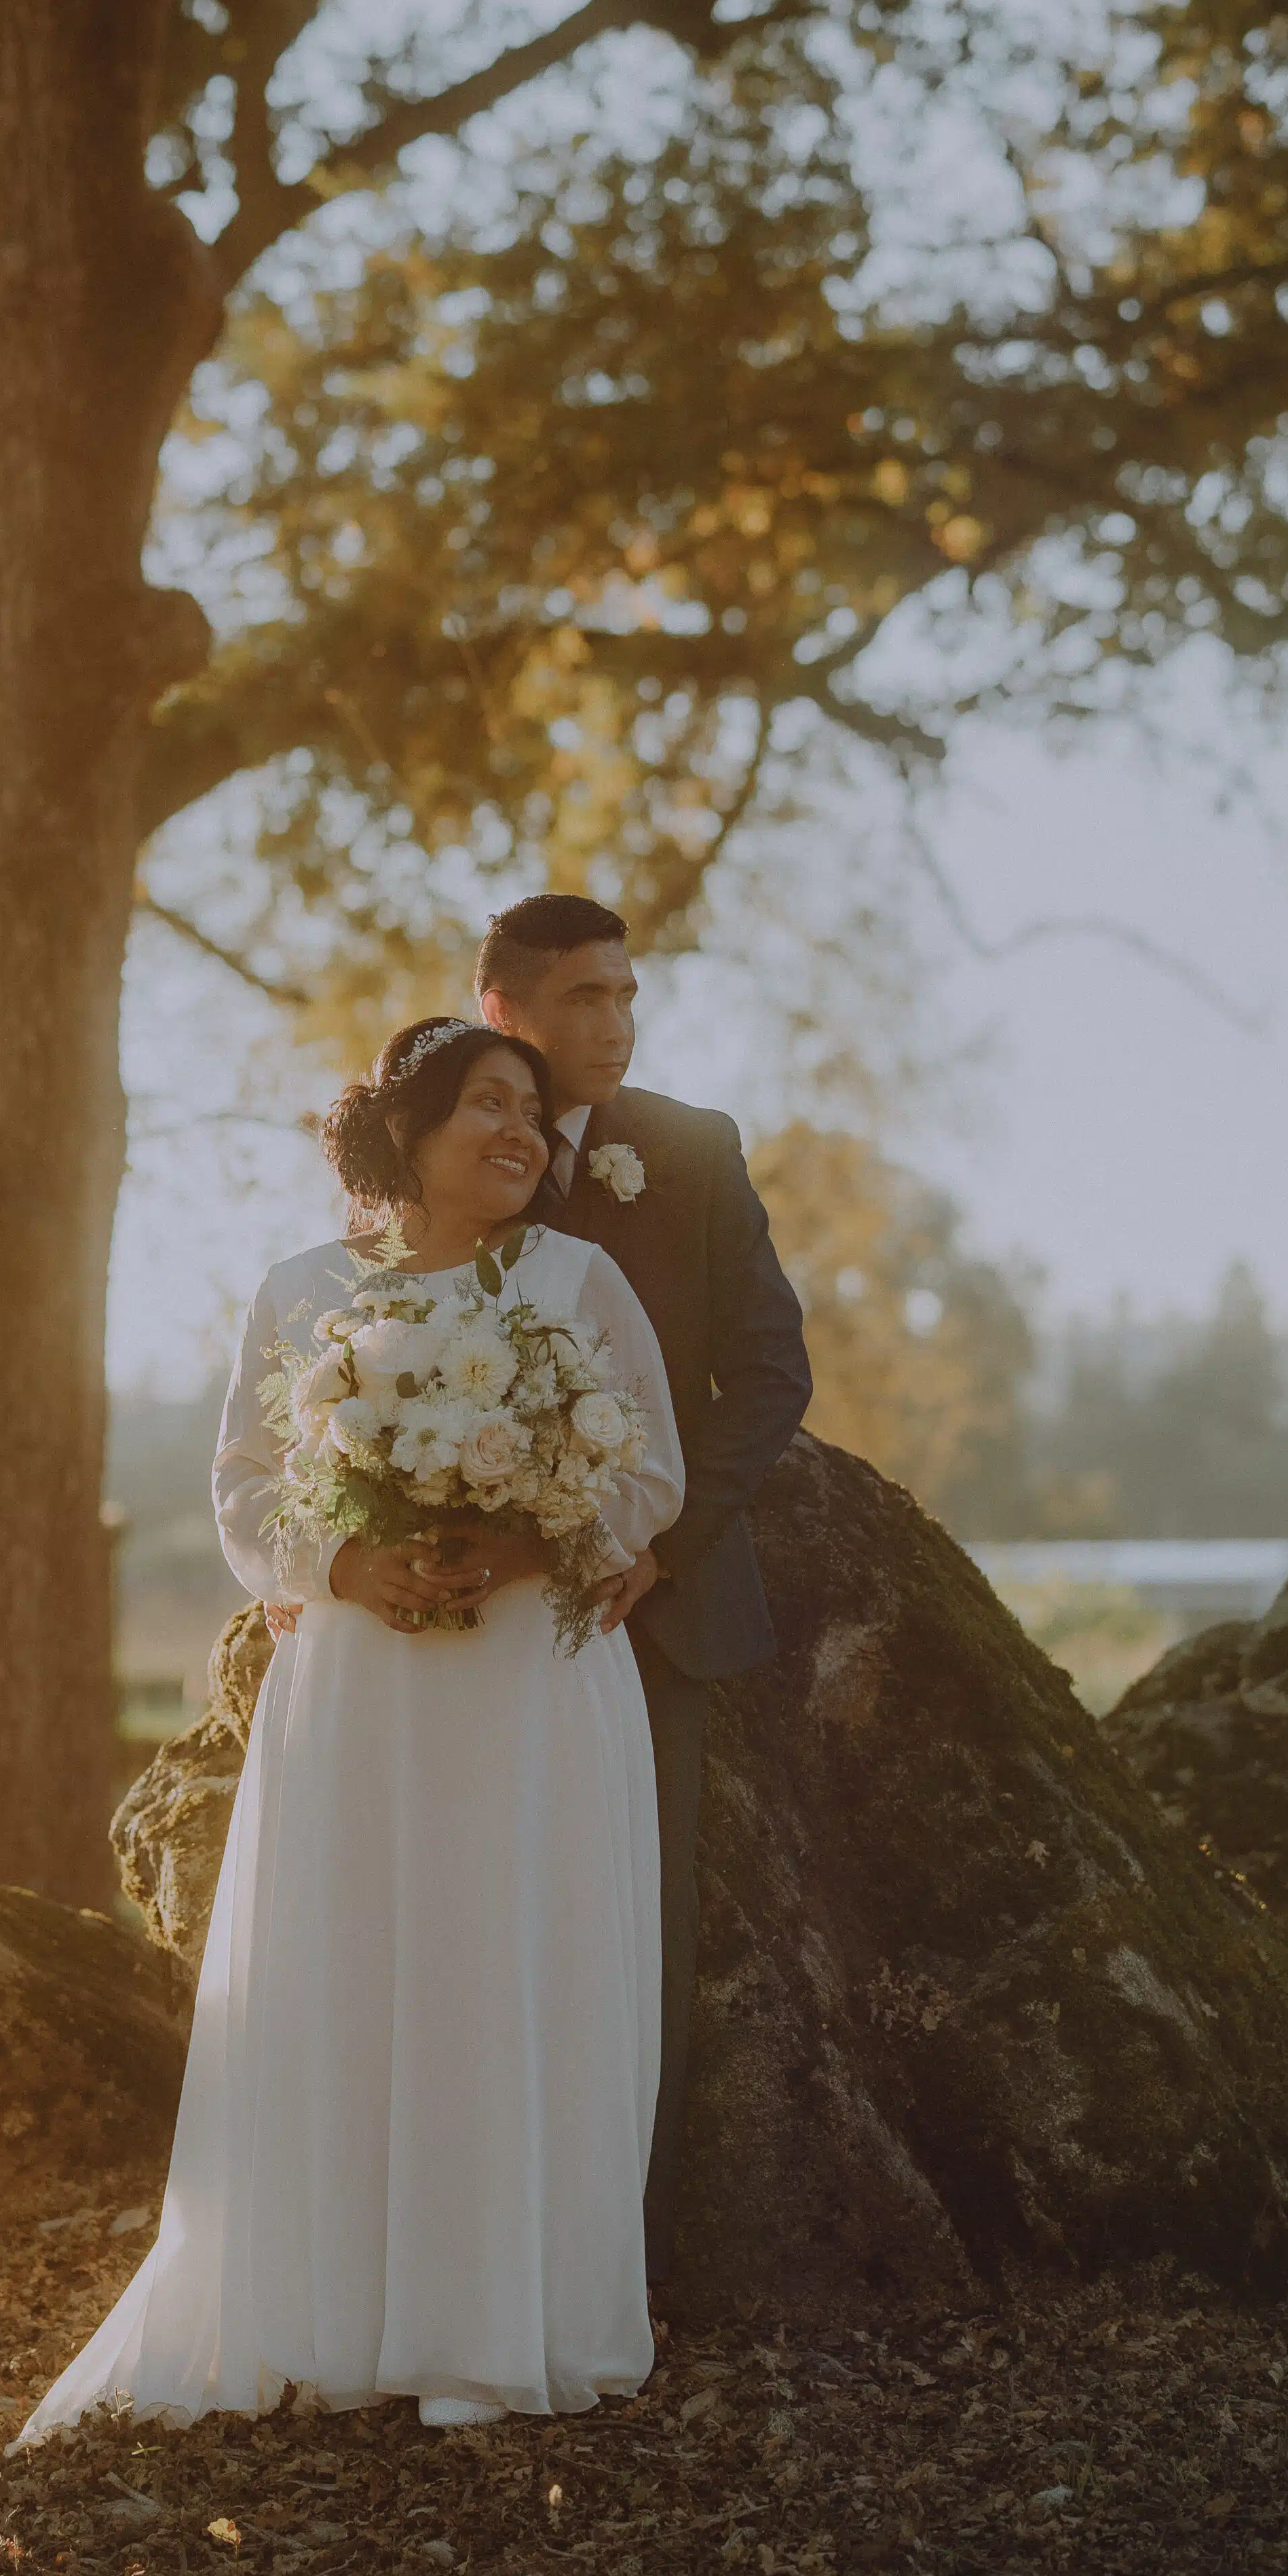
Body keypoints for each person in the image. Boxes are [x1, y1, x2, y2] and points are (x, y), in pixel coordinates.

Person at [11, 1018, 685, 2443]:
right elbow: (246, 1483)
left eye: (533, 1111)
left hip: (527, 1683)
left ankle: (495, 2325)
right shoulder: (303, 1291)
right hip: (363, 1684)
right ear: (408, 1131)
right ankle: (340, 2312)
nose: (521, 1132)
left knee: (511, 1966)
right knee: (359, 1967)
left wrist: (527, 1544)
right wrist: (343, 1565)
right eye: (487, 1104)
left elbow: (650, 1472)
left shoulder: (579, 1281)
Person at [476, 895, 812, 2289]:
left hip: (651, 1616)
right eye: (581, 998)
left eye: (626, 994)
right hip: (477, 1619)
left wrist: (660, 1539)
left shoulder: (690, 1149)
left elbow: (771, 1373)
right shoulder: (444, 1149)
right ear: (504, 1011)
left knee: (634, 1943)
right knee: (479, 1928)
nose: (614, 1023)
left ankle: (624, 2271)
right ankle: (474, 2254)